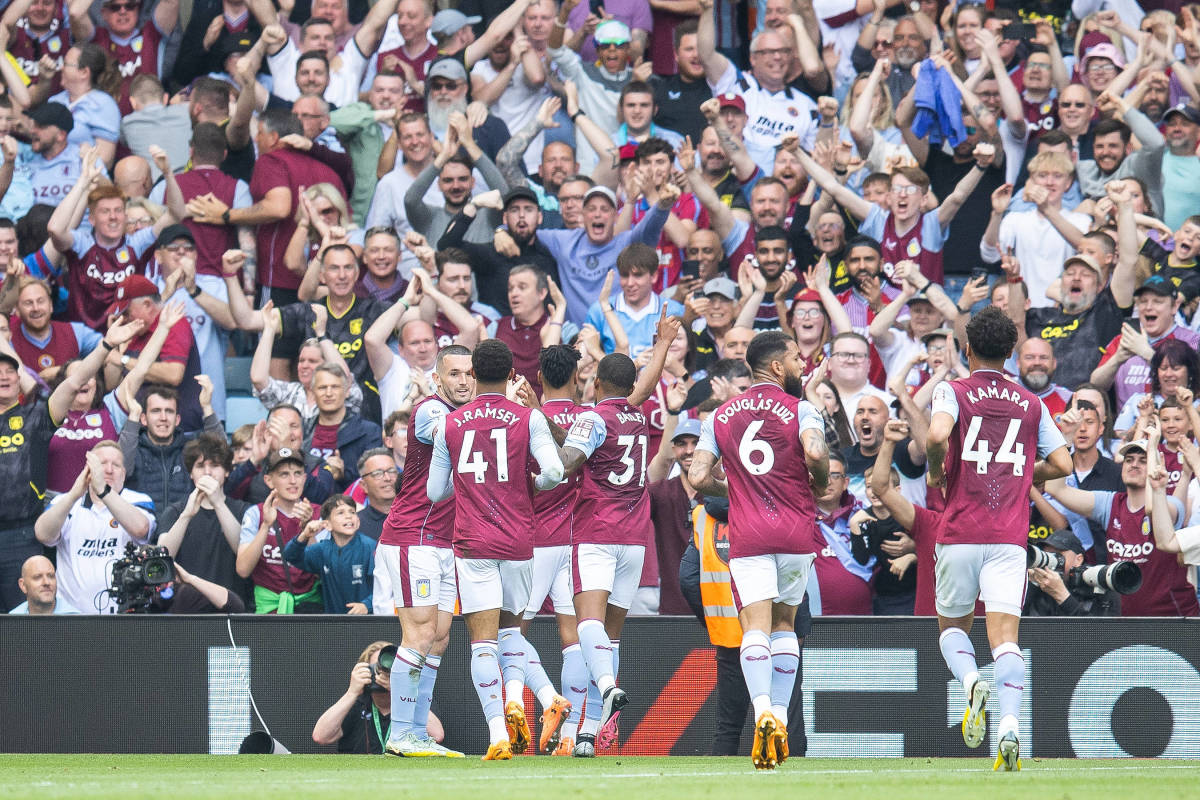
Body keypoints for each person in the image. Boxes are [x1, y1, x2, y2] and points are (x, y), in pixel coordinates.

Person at [925, 306, 1072, 772]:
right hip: (1008, 536)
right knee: (1006, 639)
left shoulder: (954, 390)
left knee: (952, 629)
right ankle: (1009, 725)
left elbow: (936, 436)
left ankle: (970, 680)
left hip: (959, 531)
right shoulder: (1031, 403)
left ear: (967, 348)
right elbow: (1065, 465)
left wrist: (936, 471)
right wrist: (1026, 469)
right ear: (1011, 353)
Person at [688, 329, 829, 770]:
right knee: (786, 623)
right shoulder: (802, 408)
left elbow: (696, 477)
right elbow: (815, 452)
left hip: (747, 534)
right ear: (775, 367)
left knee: (754, 624)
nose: (802, 365)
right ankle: (781, 719)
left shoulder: (720, 415)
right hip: (795, 532)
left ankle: (763, 709)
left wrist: (731, 486)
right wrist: (819, 484)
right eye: (795, 359)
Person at [426, 339, 565, 760]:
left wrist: (467, 486)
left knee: (482, 645)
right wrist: (531, 485)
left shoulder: (449, 424)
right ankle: (515, 697)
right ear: (510, 375)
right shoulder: (528, 419)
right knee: (512, 634)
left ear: (472, 375)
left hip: (473, 544)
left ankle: (497, 734)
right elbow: (556, 471)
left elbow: (435, 491)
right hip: (520, 543)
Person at [558, 310, 679, 757]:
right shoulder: (636, 414)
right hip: (634, 537)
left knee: (586, 621)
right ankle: (591, 733)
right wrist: (663, 345)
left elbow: (570, 459)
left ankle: (606, 686)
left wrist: (543, 452)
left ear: (595, 385)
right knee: (609, 637)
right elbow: (644, 387)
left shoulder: (591, 420)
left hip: (595, 529)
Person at [374, 344, 474, 757]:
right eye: (454, 374)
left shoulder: (468, 415)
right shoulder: (430, 411)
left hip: (445, 541)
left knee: (440, 639)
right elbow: (450, 435)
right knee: (418, 635)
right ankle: (399, 734)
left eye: (470, 373)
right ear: (437, 380)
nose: (464, 381)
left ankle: (416, 733)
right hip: (412, 538)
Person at [1044, 433, 1198, 618]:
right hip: (1124, 621)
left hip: (1172, 619)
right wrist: (1066, 437)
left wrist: (1160, 468)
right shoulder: (1110, 503)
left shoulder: (1172, 505)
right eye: (1129, 460)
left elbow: (1152, 508)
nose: (1134, 464)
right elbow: (1055, 489)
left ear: (1158, 467)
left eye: (1143, 460)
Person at [522, 344, 586, 755]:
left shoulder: (527, 420)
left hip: (533, 540)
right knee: (575, 639)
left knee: (509, 632)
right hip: (577, 540)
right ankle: (569, 736)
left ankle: (540, 702)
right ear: (577, 377)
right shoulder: (589, 421)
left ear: (539, 378)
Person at [34, 440, 156, 614]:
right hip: (71, 616)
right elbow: (43, 534)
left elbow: (141, 529)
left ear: (124, 473)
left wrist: (103, 491)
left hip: (125, 615)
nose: (108, 470)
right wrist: (74, 494)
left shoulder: (138, 500)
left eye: (116, 465)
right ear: (88, 470)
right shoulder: (64, 502)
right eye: (102, 464)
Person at [155, 434, 250, 610]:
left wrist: (218, 504)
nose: (207, 472)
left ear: (227, 471)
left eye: (215, 465)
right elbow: (162, 558)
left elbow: (244, 553)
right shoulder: (175, 511)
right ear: (191, 473)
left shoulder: (244, 510)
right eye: (200, 466)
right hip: (187, 609)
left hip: (231, 607)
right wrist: (186, 515)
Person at [312, 640, 445, 753]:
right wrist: (351, 693)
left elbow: (437, 735)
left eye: (390, 669)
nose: (384, 673)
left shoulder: (414, 701)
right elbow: (321, 736)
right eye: (377, 668)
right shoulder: (356, 703)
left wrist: (403, 691)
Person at [235, 448, 322, 614]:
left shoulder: (319, 513)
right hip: (269, 609)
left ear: (305, 478)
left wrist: (307, 528)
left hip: (309, 608)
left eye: (298, 473)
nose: (292, 481)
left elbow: (321, 570)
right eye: (284, 474)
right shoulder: (255, 513)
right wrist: (266, 525)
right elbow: (243, 569)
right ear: (269, 480)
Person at [285, 494, 375, 615]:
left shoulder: (370, 547)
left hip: (369, 622)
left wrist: (367, 605)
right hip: (334, 624)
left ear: (358, 522)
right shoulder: (322, 550)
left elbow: (388, 586)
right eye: (340, 513)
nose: (348, 516)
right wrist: (304, 535)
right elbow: (290, 556)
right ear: (327, 525)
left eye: (352, 512)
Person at [1023, 529, 1118, 617]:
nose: (1052, 560)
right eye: (1048, 554)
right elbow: (1016, 622)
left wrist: (1062, 596)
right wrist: (1032, 584)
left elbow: (1100, 633)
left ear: (1078, 559)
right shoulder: (1041, 586)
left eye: (1058, 555)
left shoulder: (1099, 583)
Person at [8, 555, 80, 615]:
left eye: (51, 576)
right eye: (37, 577)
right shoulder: (10, 621)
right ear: (23, 585)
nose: (46, 582)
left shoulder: (77, 620)